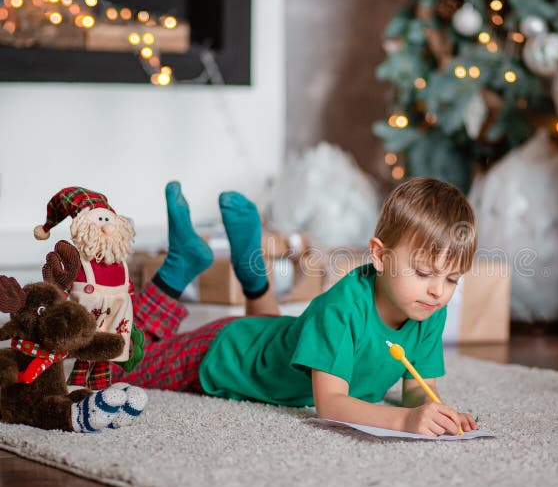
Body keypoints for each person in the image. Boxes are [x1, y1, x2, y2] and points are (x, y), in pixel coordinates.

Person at [118, 178, 478, 436]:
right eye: (424, 272)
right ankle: (179, 266)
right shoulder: (341, 309)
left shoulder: (428, 310)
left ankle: (252, 272)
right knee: (117, 368)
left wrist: (435, 414)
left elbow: (416, 391)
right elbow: (331, 405)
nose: (437, 291)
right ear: (380, 256)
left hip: (273, 341)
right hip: (225, 353)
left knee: (277, 338)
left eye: (452, 280)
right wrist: (403, 422)